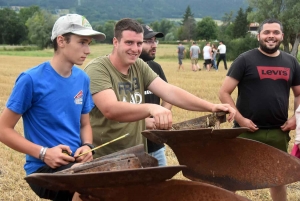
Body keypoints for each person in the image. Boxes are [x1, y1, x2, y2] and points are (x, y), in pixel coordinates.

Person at [84, 18, 236, 158]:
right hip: (104, 157)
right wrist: (151, 108)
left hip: (135, 155)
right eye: (129, 43)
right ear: (115, 42)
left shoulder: (139, 65)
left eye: (138, 43)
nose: (135, 49)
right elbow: (110, 109)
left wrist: (211, 107)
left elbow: (169, 92)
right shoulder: (98, 68)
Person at [0, 14, 106, 201]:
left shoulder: (82, 79)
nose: (88, 50)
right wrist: (44, 153)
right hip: (42, 169)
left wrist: (87, 146)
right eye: (82, 42)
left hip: (76, 164)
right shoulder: (31, 79)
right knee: (90, 188)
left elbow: (84, 125)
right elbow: (3, 129)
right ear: (61, 41)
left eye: (89, 43)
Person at [218, 18, 300, 201]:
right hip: (247, 130)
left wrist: (296, 117)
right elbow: (224, 92)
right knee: (234, 177)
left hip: (279, 131)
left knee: (278, 177)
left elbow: (298, 94)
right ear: (259, 36)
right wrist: (240, 119)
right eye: (266, 32)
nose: (271, 36)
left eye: (275, 32)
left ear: (282, 36)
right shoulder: (245, 60)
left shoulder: (291, 62)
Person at [140, 24, 172, 166]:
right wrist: (140, 124)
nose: (154, 45)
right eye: (149, 41)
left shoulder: (155, 67)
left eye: (155, 41)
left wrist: (162, 115)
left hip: (156, 144)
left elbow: (169, 95)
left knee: (161, 187)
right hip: (132, 147)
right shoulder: (123, 71)